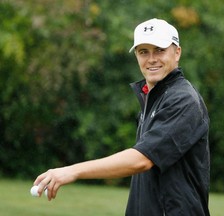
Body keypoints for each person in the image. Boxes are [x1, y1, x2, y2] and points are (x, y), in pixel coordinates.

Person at [33, 18, 210, 216]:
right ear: (136, 55)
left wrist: (71, 171)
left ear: (177, 52)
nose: (151, 59)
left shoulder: (183, 100)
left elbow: (141, 159)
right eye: (143, 51)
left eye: (159, 50)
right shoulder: (153, 98)